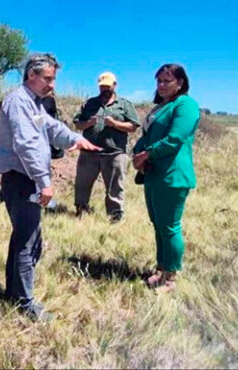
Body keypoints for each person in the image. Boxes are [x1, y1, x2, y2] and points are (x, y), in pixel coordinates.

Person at [0, 53, 101, 320]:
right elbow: (27, 145)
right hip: (22, 180)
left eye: (53, 79)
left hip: (26, 179)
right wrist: (44, 182)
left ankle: (15, 294)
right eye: (48, 79)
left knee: (28, 240)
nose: (52, 85)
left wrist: (76, 139)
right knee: (27, 242)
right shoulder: (19, 102)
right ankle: (23, 303)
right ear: (31, 75)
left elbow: (51, 129)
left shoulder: (34, 105)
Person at [132, 64, 200, 293]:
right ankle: (161, 269)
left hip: (172, 175)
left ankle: (170, 277)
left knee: (169, 226)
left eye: (166, 81)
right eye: (158, 81)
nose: (161, 85)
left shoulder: (186, 105)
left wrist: (147, 154)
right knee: (158, 224)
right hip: (153, 173)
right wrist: (138, 156)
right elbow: (146, 136)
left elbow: (175, 138)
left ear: (180, 83)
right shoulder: (161, 107)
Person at [72, 72, 140, 222]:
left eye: (108, 86)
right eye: (102, 87)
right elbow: (77, 124)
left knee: (115, 187)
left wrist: (115, 124)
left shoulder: (124, 105)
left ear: (115, 85)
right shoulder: (89, 104)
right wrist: (89, 122)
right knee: (82, 183)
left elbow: (133, 126)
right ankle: (81, 210)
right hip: (89, 152)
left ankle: (115, 215)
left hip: (115, 153)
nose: (105, 89)